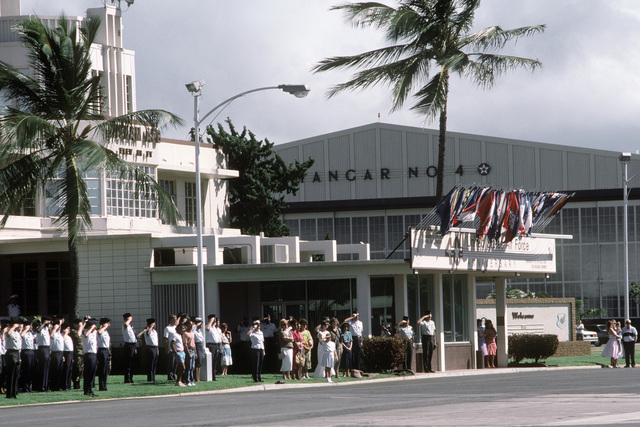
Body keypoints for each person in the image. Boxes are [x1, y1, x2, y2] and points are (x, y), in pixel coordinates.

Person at [4, 318, 22, 398]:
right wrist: (13, 327)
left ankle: (14, 392)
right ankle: (9, 393)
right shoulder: (9, 331)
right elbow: (8, 334)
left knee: (16, 374)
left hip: (17, 353)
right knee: (11, 374)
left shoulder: (16, 333)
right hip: (11, 353)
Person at [138, 318, 159, 382]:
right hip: (150, 348)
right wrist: (150, 326)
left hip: (155, 348)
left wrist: (157, 349)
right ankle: (150, 378)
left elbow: (156, 341)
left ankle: (153, 377)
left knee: (154, 364)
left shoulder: (155, 331)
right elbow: (148, 333)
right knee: (151, 364)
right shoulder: (147, 330)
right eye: (154, 323)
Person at [82, 318, 99, 397]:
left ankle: (90, 389)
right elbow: (86, 335)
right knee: (88, 373)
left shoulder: (94, 333)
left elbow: (99, 331)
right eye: (93, 325)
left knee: (92, 373)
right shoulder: (86, 332)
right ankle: (87, 390)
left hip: (94, 354)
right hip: (88, 355)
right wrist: (91, 327)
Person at [35, 316, 52, 391]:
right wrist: (43, 323)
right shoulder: (40, 328)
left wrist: (49, 326)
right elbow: (38, 330)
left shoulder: (47, 329)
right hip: (42, 348)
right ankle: (40, 386)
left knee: (46, 368)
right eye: (47, 321)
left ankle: (45, 385)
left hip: (48, 348)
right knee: (42, 368)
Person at [345, 310, 363, 374]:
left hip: (358, 338)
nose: (356, 317)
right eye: (356, 315)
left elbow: (361, 332)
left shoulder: (360, 323)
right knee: (352, 354)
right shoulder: (350, 322)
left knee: (358, 354)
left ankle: (358, 368)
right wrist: (352, 317)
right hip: (352, 338)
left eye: (357, 315)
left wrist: (361, 341)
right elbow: (345, 321)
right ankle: (352, 368)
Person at [19, 320, 36, 393]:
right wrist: (25, 329)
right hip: (25, 351)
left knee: (30, 370)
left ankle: (28, 386)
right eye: (30, 326)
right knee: (26, 370)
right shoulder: (23, 333)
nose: (31, 327)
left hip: (31, 351)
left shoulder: (31, 334)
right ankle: (24, 386)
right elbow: (21, 335)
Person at [49, 320, 64, 391]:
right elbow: (51, 336)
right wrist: (55, 328)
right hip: (55, 353)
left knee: (59, 370)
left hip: (60, 353)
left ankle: (57, 386)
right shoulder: (53, 332)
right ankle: (53, 386)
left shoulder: (59, 333)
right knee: (55, 370)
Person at [206, 314, 223, 380]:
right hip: (211, 345)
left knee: (215, 361)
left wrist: (219, 347)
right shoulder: (208, 327)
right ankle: (210, 375)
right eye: (213, 320)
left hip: (216, 345)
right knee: (211, 361)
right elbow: (207, 328)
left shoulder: (215, 329)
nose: (214, 321)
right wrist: (210, 321)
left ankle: (213, 375)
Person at [96, 318, 111, 392]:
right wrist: (104, 326)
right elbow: (99, 332)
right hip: (101, 350)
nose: (109, 325)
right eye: (108, 323)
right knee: (102, 369)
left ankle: (104, 385)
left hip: (106, 350)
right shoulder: (100, 330)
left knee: (106, 369)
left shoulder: (105, 331)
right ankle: (101, 386)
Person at [248, 319, 265, 383]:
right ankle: (255, 377)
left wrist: (264, 350)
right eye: (257, 325)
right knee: (256, 364)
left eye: (259, 325)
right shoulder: (252, 331)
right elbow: (248, 334)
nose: (259, 326)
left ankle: (259, 376)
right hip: (255, 349)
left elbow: (262, 342)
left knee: (260, 363)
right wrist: (253, 328)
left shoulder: (261, 332)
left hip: (261, 348)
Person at [122, 313, 136, 384]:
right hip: (128, 345)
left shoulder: (130, 326)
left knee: (132, 362)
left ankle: (131, 377)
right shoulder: (125, 325)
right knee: (128, 363)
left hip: (133, 345)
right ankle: (127, 378)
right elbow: (125, 324)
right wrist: (129, 320)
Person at [70, 318, 85, 389]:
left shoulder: (81, 330)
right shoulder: (73, 331)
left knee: (81, 369)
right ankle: (75, 382)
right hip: (77, 352)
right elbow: (78, 335)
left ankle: (79, 381)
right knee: (77, 368)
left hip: (82, 352)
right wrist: (81, 327)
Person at [163, 314, 178, 381]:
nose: (175, 320)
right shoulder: (167, 328)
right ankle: (170, 376)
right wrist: (166, 348)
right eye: (173, 319)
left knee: (176, 364)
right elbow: (165, 339)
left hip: (177, 348)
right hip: (171, 348)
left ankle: (174, 375)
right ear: (170, 320)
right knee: (171, 363)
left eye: (176, 319)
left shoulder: (176, 328)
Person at [182, 320, 196, 386]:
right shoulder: (185, 333)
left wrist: (195, 353)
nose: (191, 326)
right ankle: (187, 381)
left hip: (193, 350)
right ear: (187, 325)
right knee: (188, 366)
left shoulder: (192, 333)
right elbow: (185, 344)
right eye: (190, 324)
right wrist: (188, 353)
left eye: (192, 325)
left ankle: (192, 380)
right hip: (189, 350)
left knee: (192, 367)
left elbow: (194, 343)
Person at [61, 322, 74, 391]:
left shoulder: (69, 337)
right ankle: (64, 385)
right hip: (65, 353)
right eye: (67, 329)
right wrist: (65, 333)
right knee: (66, 369)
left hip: (70, 353)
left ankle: (68, 384)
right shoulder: (62, 336)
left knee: (70, 369)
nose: (69, 330)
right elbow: (61, 342)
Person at [192, 317, 205, 382]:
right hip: (196, 345)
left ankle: (198, 377)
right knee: (197, 363)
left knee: (199, 363)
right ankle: (197, 378)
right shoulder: (194, 330)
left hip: (200, 345)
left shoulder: (199, 331)